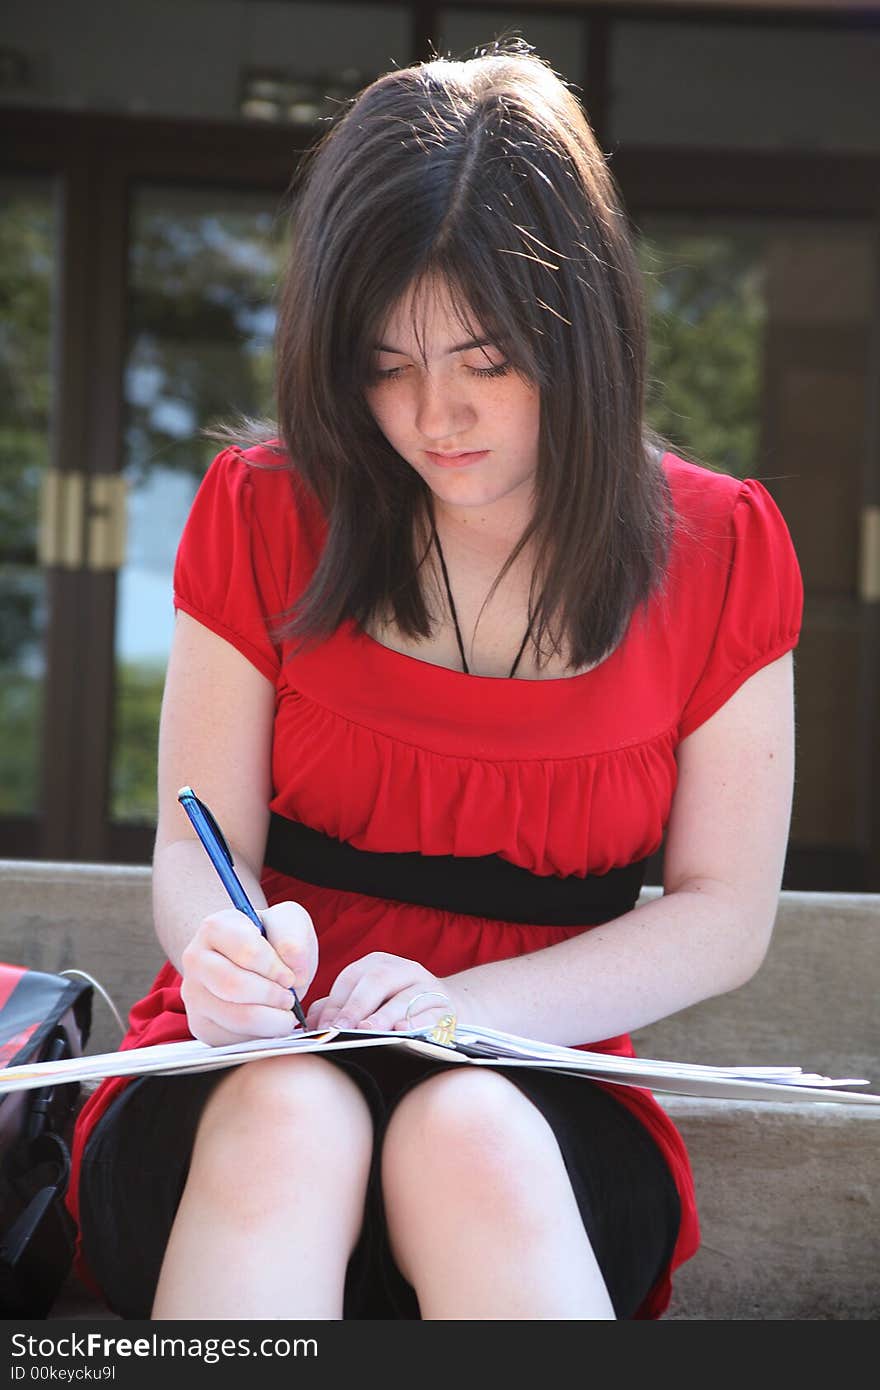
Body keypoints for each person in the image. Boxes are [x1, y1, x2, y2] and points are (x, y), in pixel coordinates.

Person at [66, 42, 803, 1321]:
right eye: (385, 365)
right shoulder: (263, 509)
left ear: (582, 334)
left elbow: (723, 915)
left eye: (486, 360)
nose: (435, 416)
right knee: (294, 1115)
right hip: (253, 1064)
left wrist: (457, 1009)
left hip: (534, 1073)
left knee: (469, 1130)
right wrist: (221, 947)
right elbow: (201, 845)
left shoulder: (722, 547)